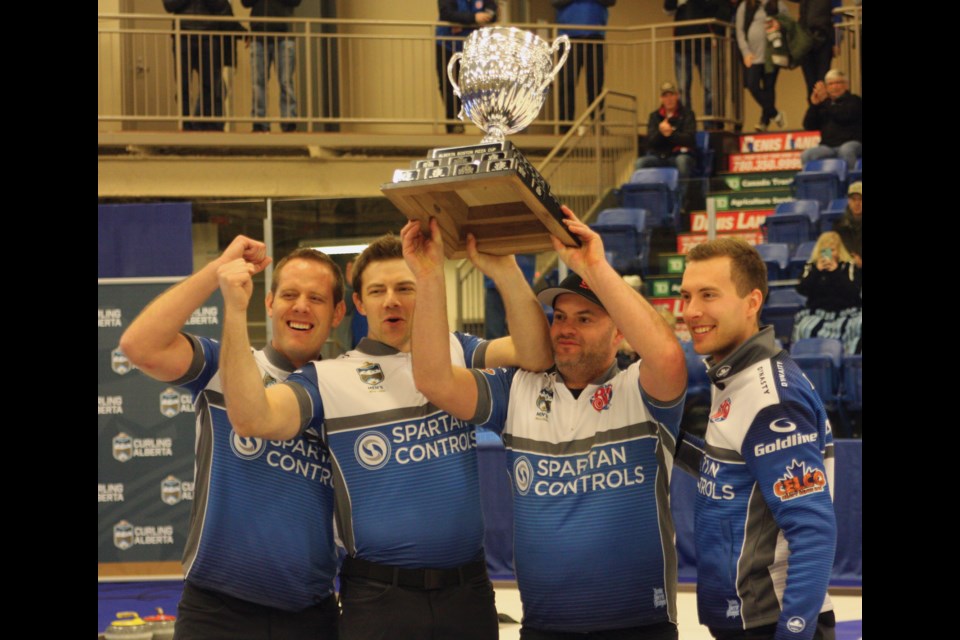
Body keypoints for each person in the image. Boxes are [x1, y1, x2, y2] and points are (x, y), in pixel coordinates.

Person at [217, 232, 552, 640]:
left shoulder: (457, 352)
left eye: (406, 287)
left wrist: (504, 268)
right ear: (358, 303)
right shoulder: (328, 377)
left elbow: (536, 353)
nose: (392, 300)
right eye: (378, 290)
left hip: (468, 592)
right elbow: (253, 419)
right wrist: (235, 312)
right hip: (379, 600)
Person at [404, 209, 687, 639]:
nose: (566, 328)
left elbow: (667, 355)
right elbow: (434, 380)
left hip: (638, 624)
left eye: (585, 318)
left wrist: (594, 266)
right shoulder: (517, 388)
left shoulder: (643, 390)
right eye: (560, 316)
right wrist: (429, 277)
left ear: (618, 333)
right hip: (545, 627)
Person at [119, 237, 345, 639]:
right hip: (217, 612)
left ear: (339, 312)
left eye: (317, 298)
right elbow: (139, 346)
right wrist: (217, 269)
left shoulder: (346, 393)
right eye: (289, 294)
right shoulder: (223, 368)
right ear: (270, 303)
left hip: (310, 613)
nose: (301, 306)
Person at [677, 238, 837, 640]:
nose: (691, 311)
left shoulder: (769, 398)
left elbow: (813, 532)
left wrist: (794, 631)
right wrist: (667, 439)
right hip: (749, 619)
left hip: (774, 621)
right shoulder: (737, 374)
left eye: (708, 295)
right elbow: (739, 472)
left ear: (752, 302)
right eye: (686, 296)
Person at [164, 0, 234, 131]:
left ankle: (209, 124)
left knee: (210, 84)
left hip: (209, 34)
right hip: (183, 34)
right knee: (182, 84)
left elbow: (220, 5)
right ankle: (185, 124)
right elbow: (168, 5)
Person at [792, 231, 861, 354]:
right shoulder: (811, 267)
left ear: (839, 251)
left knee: (857, 326)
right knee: (803, 327)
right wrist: (817, 272)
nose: (829, 254)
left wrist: (835, 272)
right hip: (818, 312)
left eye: (832, 250)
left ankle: (851, 363)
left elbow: (853, 292)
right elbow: (802, 289)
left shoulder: (849, 266)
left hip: (848, 312)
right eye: (825, 250)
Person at [665, 0, 732, 125]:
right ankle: (686, 123)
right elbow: (668, 9)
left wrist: (715, 33)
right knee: (683, 89)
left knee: (710, 87)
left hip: (704, 44)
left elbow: (718, 8)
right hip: (682, 45)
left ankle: (709, 123)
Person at [437, 0, 497, 133]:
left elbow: (492, 10)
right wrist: (474, 18)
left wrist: (486, 16)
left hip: (473, 45)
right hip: (447, 44)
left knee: (474, 84)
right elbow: (446, 13)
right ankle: (454, 122)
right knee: (448, 84)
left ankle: (486, 123)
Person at [554, 0, 616, 128]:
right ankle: (565, 127)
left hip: (595, 37)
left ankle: (598, 126)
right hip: (568, 37)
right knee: (566, 84)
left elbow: (611, 1)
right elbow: (554, 2)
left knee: (595, 85)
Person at [636, 81, 697, 211]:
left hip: (680, 156)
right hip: (659, 157)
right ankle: (644, 205)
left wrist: (671, 134)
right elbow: (650, 142)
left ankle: (681, 203)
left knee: (683, 161)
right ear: (661, 98)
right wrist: (661, 133)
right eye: (665, 96)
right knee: (640, 163)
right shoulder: (654, 117)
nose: (668, 99)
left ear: (677, 96)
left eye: (671, 95)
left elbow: (690, 140)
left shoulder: (687, 114)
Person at [243, 0, 302, 133]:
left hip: (284, 35)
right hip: (258, 36)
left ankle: (289, 122)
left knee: (285, 81)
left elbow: (296, 2)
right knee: (258, 83)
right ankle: (259, 122)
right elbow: (245, 2)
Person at [736, 0, 788, 132]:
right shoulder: (746, 5)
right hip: (753, 56)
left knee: (769, 87)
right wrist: (745, 52)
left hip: (772, 55)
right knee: (752, 84)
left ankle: (764, 121)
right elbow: (740, 30)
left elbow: (788, 23)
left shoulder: (778, 4)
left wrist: (780, 24)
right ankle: (775, 114)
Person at [800, 69, 862, 169]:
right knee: (807, 155)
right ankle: (814, 184)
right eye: (830, 84)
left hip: (852, 143)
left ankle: (852, 182)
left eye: (838, 83)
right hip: (828, 147)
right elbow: (809, 126)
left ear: (846, 85)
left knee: (846, 150)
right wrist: (814, 106)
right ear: (826, 87)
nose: (834, 87)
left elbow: (842, 116)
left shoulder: (854, 100)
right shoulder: (824, 104)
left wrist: (825, 100)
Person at [787, 0, 841, 100]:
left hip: (824, 39)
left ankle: (824, 112)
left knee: (822, 83)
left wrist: (836, 41)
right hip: (806, 40)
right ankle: (815, 111)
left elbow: (837, 16)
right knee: (811, 84)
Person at [833, 181, 861, 267]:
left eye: (860, 199)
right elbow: (827, 248)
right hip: (844, 272)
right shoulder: (838, 225)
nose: (857, 203)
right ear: (849, 201)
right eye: (853, 199)